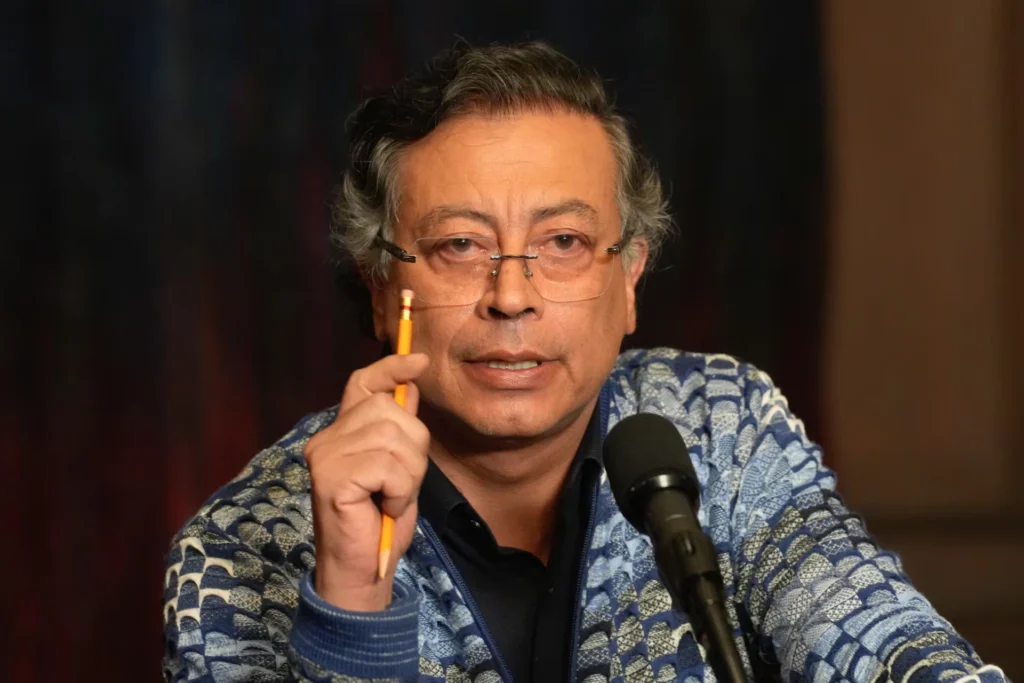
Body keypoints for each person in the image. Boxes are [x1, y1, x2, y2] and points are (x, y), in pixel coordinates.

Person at [161, 41, 1008, 683]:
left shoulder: (721, 423)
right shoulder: (233, 553)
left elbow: (881, 635)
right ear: (383, 286)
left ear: (629, 278)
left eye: (563, 242)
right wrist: (352, 598)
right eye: (460, 245)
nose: (512, 297)